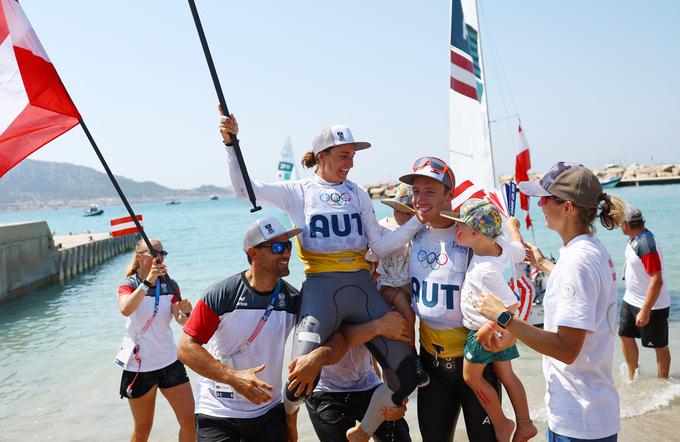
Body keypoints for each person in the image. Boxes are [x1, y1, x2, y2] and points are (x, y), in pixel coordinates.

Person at [219, 114, 428, 441]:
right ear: (322, 156)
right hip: (320, 288)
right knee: (297, 380)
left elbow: (381, 245)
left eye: (353, 156)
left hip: (360, 285)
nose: (351, 163)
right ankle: (289, 420)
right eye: (344, 155)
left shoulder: (358, 194)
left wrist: (417, 222)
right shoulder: (298, 191)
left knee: (408, 374)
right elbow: (246, 190)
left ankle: (362, 431)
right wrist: (232, 144)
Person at [477, 162, 625, 442]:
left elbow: (567, 349)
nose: (539, 206)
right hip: (594, 411)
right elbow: (586, 291)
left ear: (567, 208)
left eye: (544, 199)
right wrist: (543, 263)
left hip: (578, 420)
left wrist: (504, 317)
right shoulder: (592, 250)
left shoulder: (576, 262)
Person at [177, 217, 345, 441]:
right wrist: (233, 378)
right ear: (253, 253)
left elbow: (340, 337)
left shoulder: (293, 299)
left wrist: (319, 356)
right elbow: (185, 348)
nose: (286, 253)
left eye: (288, 246)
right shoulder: (222, 294)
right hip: (217, 414)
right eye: (277, 247)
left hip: (268, 413)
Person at [400, 156, 513, 442]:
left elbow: (508, 280)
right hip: (431, 366)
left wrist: (507, 335)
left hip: (475, 362)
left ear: (450, 195)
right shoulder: (413, 235)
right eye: (416, 192)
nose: (420, 200)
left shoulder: (469, 236)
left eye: (430, 192)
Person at [440, 200, 536, 442]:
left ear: (476, 233)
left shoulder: (485, 270)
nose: (455, 229)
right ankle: (525, 424)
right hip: (504, 332)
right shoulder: (500, 245)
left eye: (460, 227)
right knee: (508, 376)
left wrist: (488, 326)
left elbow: (511, 305)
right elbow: (519, 248)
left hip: (482, 330)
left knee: (471, 378)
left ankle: (501, 423)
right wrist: (514, 226)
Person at [284, 311, 413, 441]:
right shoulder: (318, 296)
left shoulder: (373, 292)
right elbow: (344, 337)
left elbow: (387, 348)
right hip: (327, 389)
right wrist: (378, 326)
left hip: (369, 382)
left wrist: (396, 397)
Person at [115, 238, 194, 442]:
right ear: (140, 257)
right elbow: (126, 309)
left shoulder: (170, 284)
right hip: (140, 367)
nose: (159, 257)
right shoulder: (128, 284)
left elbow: (181, 320)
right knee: (143, 430)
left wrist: (187, 312)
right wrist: (147, 282)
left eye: (162, 253)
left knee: (190, 423)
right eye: (154, 252)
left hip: (169, 362)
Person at [366, 182, 429, 386]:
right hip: (387, 285)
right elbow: (371, 257)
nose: (401, 216)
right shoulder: (384, 228)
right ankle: (413, 355)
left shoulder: (421, 232)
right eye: (398, 210)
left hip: (408, 286)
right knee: (407, 315)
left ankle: (405, 362)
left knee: (407, 323)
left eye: (407, 212)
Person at [618, 204, 671, 380]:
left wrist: (645, 309)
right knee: (625, 336)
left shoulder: (646, 245)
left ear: (626, 224)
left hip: (652, 304)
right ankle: (633, 378)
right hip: (630, 299)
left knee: (660, 346)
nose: (619, 226)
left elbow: (657, 280)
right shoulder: (634, 238)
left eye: (620, 223)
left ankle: (663, 384)